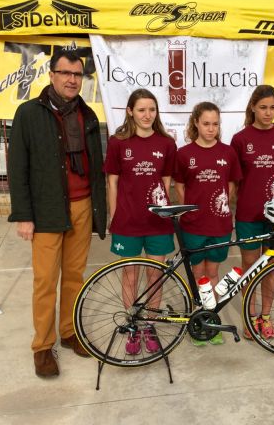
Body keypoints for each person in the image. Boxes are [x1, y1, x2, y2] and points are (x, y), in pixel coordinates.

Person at [8, 49, 107, 378]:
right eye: (65, 73)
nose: (72, 80)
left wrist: (98, 209)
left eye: (77, 74)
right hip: (47, 209)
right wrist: (24, 215)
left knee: (75, 275)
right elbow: (17, 167)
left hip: (82, 205)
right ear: (51, 75)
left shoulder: (87, 114)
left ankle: (69, 331)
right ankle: (42, 346)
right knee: (45, 281)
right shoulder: (29, 113)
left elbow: (95, 166)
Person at [103, 88, 176, 356]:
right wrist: (114, 216)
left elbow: (165, 182)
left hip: (157, 223)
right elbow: (112, 182)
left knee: (155, 276)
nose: (147, 115)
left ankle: (150, 325)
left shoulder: (166, 143)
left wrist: (163, 211)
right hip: (128, 223)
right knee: (130, 274)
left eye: (152, 110)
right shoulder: (118, 142)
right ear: (130, 111)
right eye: (142, 110)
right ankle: (133, 324)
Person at [231, 85, 274, 340]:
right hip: (249, 215)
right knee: (249, 266)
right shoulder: (240, 139)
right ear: (253, 108)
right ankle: (249, 317)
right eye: (263, 108)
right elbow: (236, 179)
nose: (268, 113)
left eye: (272, 108)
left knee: (271, 266)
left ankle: (266, 316)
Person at [173, 102, 242, 346]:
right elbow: (179, 185)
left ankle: (211, 320)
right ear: (196, 123)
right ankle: (198, 319)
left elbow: (231, 185)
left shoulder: (228, 153)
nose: (211, 129)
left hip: (219, 225)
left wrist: (218, 208)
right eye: (206, 124)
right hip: (193, 225)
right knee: (198, 274)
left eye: (215, 124)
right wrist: (191, 210)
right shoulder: (184, 154)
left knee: (213, 273)